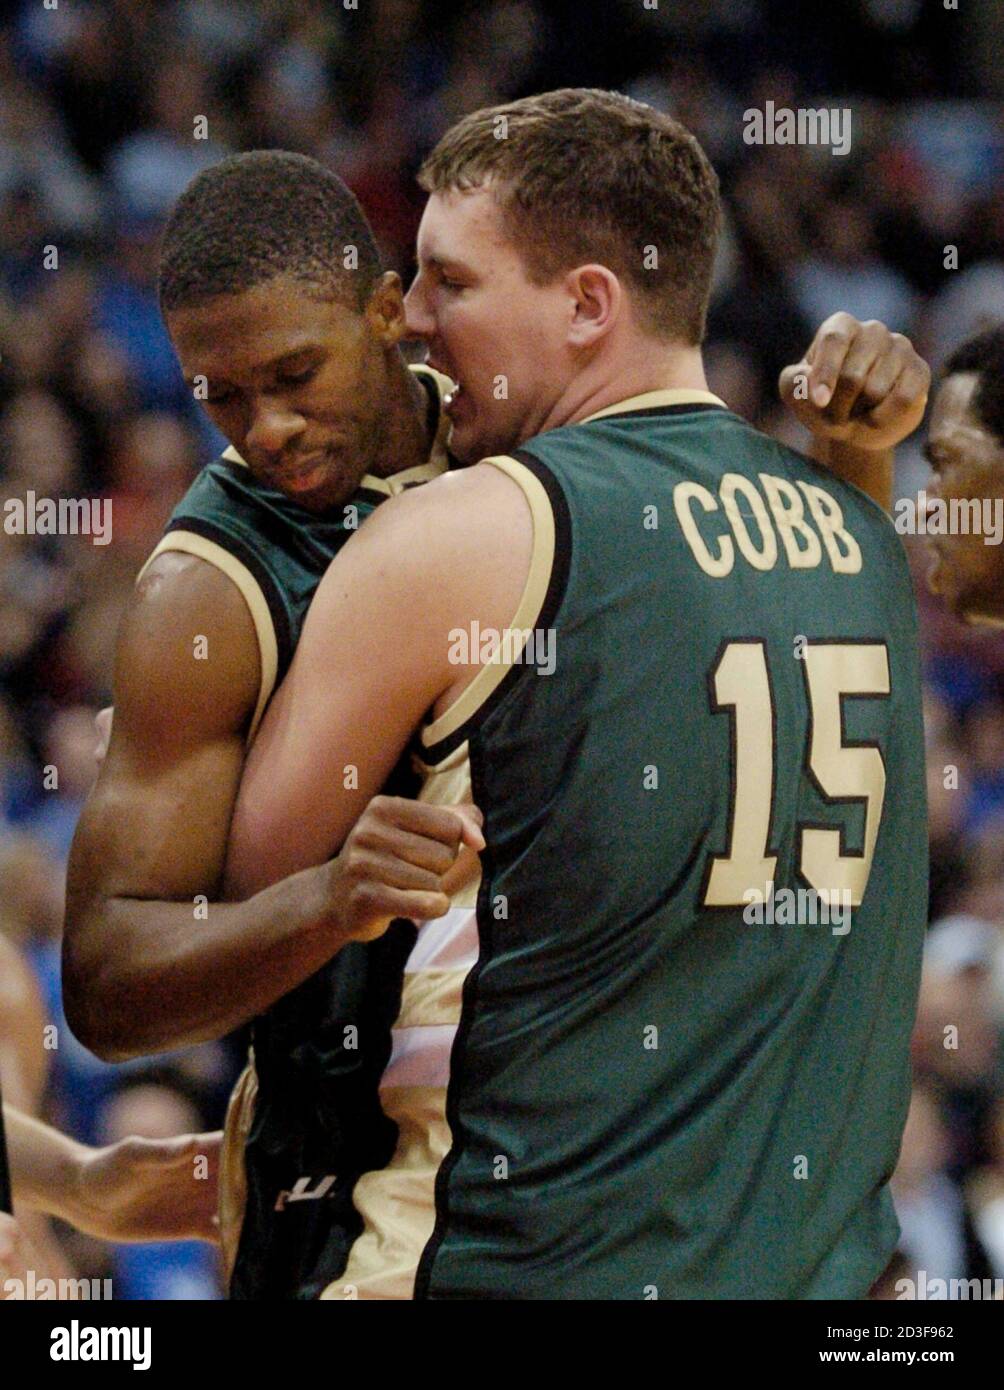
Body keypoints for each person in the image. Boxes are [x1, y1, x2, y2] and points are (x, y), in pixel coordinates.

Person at [225, 88, 933, 1300]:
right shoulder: (862, 538)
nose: (412, 323)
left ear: (587, 304)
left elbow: (249, 911)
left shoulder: (463, 530)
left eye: (451, 283)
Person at [62, 150, 482, 1300]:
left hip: (572, 1156)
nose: (269, 428)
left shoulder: (524, 446)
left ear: (386, 310)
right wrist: (324, 901)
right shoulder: (206, 586)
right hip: (339, 1189)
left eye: (296, 371)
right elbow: (104, 981)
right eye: (222, 395)